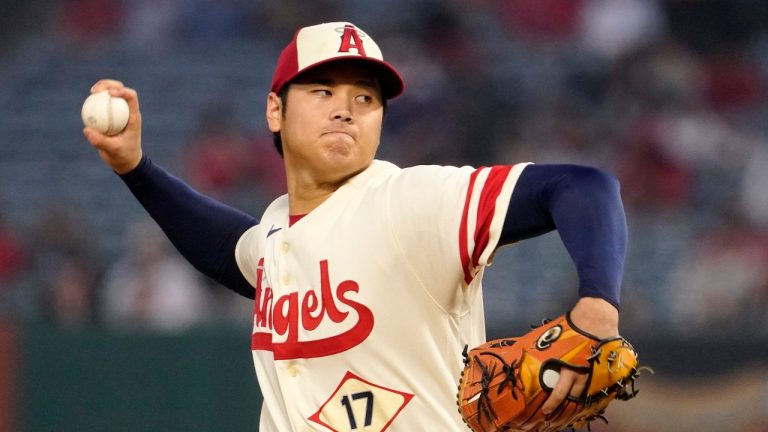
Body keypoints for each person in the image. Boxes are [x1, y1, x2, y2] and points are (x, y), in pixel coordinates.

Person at [83, 22, 627, 431]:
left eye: (364, 97)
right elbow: (230, 250)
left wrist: (598, 305)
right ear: (275, 110)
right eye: (323, 91)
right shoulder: (277, 230)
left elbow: (584, 187)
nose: (346, 109)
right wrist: (136, 168)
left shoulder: (409, 200)